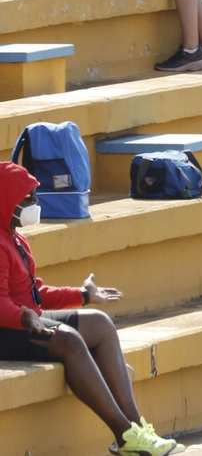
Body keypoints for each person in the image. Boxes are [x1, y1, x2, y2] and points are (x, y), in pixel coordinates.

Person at [1, 164, 187, 456]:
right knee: (69, 340)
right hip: (7, 329)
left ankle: (136, 428)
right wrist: (23, 316)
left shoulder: (15, 237)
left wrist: (83, 296)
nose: (35, 203)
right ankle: (124, 436)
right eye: (28, 198)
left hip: (26, 319)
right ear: (7, 200)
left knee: (99, 324)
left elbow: (34, 293)